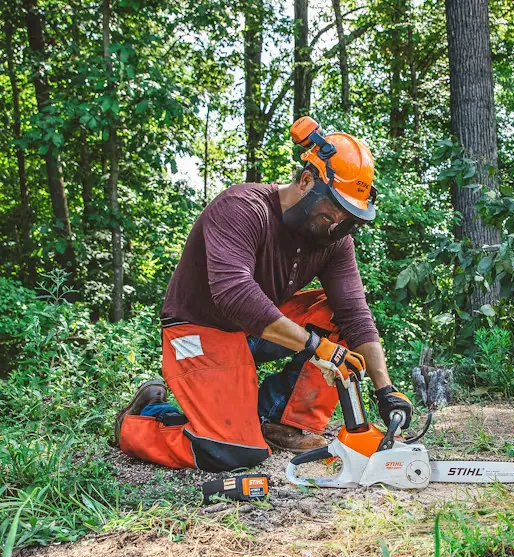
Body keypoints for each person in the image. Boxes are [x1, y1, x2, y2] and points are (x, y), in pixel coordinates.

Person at [114, 116, 413, 472]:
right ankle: (142, 419)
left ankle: (282, 421)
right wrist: (318, 348)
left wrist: (385, 388)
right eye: (332, 210)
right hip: (200, 328)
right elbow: (234, 294)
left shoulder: (334, 241)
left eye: (349, 217)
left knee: (336, 317)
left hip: (258, 327)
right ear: (306, 182)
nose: (338, 224)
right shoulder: (242, 208)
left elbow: (355, 314)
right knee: (231, 451)